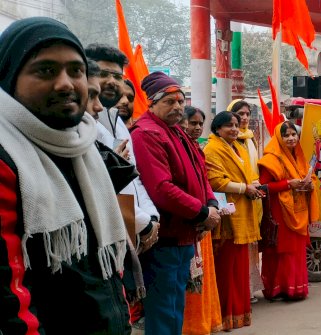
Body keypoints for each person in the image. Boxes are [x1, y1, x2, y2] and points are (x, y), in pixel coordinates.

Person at [0, 17, 131, 334]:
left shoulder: (85, 148)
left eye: (76, 71)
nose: (66, 83)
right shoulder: (5, 158)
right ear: (8, 76)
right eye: (45, 70)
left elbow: (107, 266)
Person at [130, 71, 220, 335]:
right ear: (152, 103)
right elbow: (162, 189)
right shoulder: (146, 133)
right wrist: (202, 213)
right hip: (165, 239)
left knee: (174, 308)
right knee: (164, 311)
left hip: (185, 234)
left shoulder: (175, 132)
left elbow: (200, 172)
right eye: (170, 101)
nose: (178, 107)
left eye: (180, 101)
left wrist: (211, 203)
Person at [87, 43, 160, 257]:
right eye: (103, 73)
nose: (111, 81)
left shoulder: (118, 122)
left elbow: (134, 178)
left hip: (131, 232)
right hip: (101, 237)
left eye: (117, 76)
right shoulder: (81, 123)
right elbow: (98, 184)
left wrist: (151, 218)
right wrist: (143, 224)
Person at [204, 111, 263, 329]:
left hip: (243, 211)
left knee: (239, 269)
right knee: (227, 270)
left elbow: (246, 175)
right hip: (227, 217)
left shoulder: (236, 147)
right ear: (217, 128)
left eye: (236, 124)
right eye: (229, 125)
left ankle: (239, 315)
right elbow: (215, 181)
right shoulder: (212, 149)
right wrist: (244, 188)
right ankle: (225, 317)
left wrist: (253, 186)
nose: (234, 129)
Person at [258, 121, 319, 300]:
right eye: (286, 135)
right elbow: (263, 186)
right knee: (282, 250)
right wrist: (287, 184)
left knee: (297, 249)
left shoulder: (299, 156)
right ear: (279, 138)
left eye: (294, 134)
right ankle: (278, 289)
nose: (291, 138)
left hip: (299, 209)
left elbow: (310, 176)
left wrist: (310, 184)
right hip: (280, 212)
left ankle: (296, 289)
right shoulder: (270, 159)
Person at [180, 105, 223, 335]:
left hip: (204, 218)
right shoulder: (176, 147)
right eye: (192, 122)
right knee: (188, 279)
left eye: (200, 124)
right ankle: (190, 327)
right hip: (189, 220)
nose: (196, 127)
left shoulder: (197, 149)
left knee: (201, 276)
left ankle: (202, 322)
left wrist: (212, 206)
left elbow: (204, 182)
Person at [228, 99, 265, 302]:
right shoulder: (229, 141)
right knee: (237, 247)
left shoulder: (249, 139)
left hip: (253, 196)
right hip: (237, 198)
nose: (244, 118)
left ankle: (248, 289)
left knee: (250, 248)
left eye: (247, 114)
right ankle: (238, 291)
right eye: (239, 114)